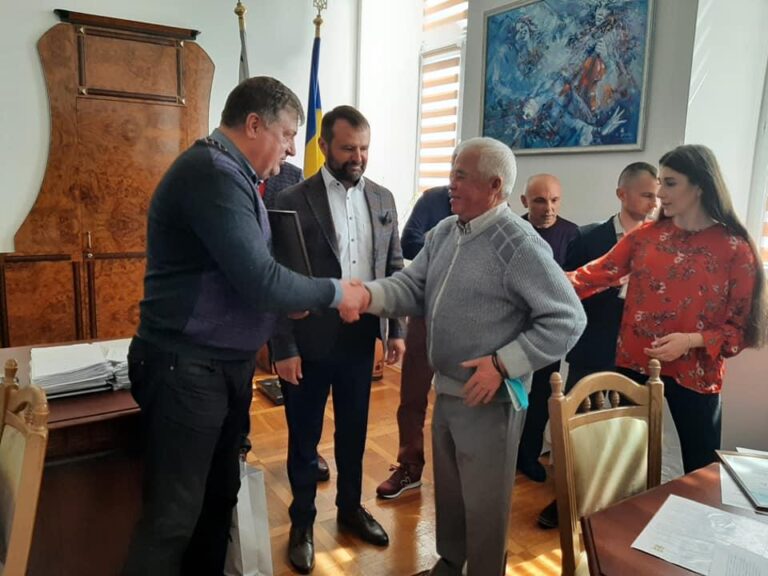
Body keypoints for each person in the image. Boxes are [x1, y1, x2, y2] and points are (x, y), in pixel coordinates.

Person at [122, 76, 366, 576]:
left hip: (222, 368)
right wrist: (337, 291)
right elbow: (259, 278)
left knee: (217, 501)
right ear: (254, 125)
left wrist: (280, 307)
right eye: (288, 134)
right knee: (173, 518)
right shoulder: (212, 174)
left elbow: (238, 277)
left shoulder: (234, 174)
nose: (293, 148)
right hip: (188, 369)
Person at [359, 137, 586, 576]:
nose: (451, 184)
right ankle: (450, 562)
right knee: (451, 494)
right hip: (447, 390)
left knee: (485, 504)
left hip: (490, 399)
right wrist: (366, 295)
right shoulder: (446, 231)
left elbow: (568, 319)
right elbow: (413, 287)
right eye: (452, 173)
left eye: (461, 175)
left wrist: (503, 364)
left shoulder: (518, 243)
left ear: (495, 186)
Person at [568, 144, 767, 476]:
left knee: (700, 470)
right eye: (660, 183)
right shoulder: (646, 236)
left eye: (670, 183)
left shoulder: (734, 247)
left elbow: (742, 328)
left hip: (696, 373)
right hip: (634, 364)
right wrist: (530, 281)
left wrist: (690, 340)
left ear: (700, 185)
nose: (660, 193)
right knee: (619, 464)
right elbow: (592, 276)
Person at [270, 105, 406, 574]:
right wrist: (283, 346)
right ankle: (303, 522)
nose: (358, 157)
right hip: (307, 340)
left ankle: (350, 509)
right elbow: (275, 278)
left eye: (364, 148)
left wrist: (396, 329)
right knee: (304, 438)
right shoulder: (290, 198)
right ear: (324, 145)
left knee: (354, 432)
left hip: (361, 338)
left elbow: (394, 267)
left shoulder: (384, 198)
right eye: (349, 148)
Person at [537, 161, 659, 529]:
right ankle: (568, 497)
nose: (654, 203)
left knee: (627, 429)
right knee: (579, 427)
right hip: (593, 348)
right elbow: (568, 293)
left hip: (639, 354)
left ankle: (619, 501)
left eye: (657, 195)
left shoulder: (664, 243)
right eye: (647, 194)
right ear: (622, 194)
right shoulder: (588, 239)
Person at [376, 185, 452, 499]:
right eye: (455, 172)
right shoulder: (434, 200)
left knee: (461, 404)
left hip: (468, 325)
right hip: (424, 314)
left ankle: (458, 476)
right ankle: (410, 467)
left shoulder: (500, 220)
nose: (456, 183)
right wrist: (445, 247)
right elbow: (408, 243)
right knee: (412, 397)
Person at [516, 174, 579, 482]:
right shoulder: (512, 230)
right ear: (525, 202)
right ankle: (503, 452)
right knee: (509, 395)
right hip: (512, 330)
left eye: (554, 200)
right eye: (540, 201)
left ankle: (528, 455)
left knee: (541, 395)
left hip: (547, 332)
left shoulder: (572, 234)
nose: (548, 208)